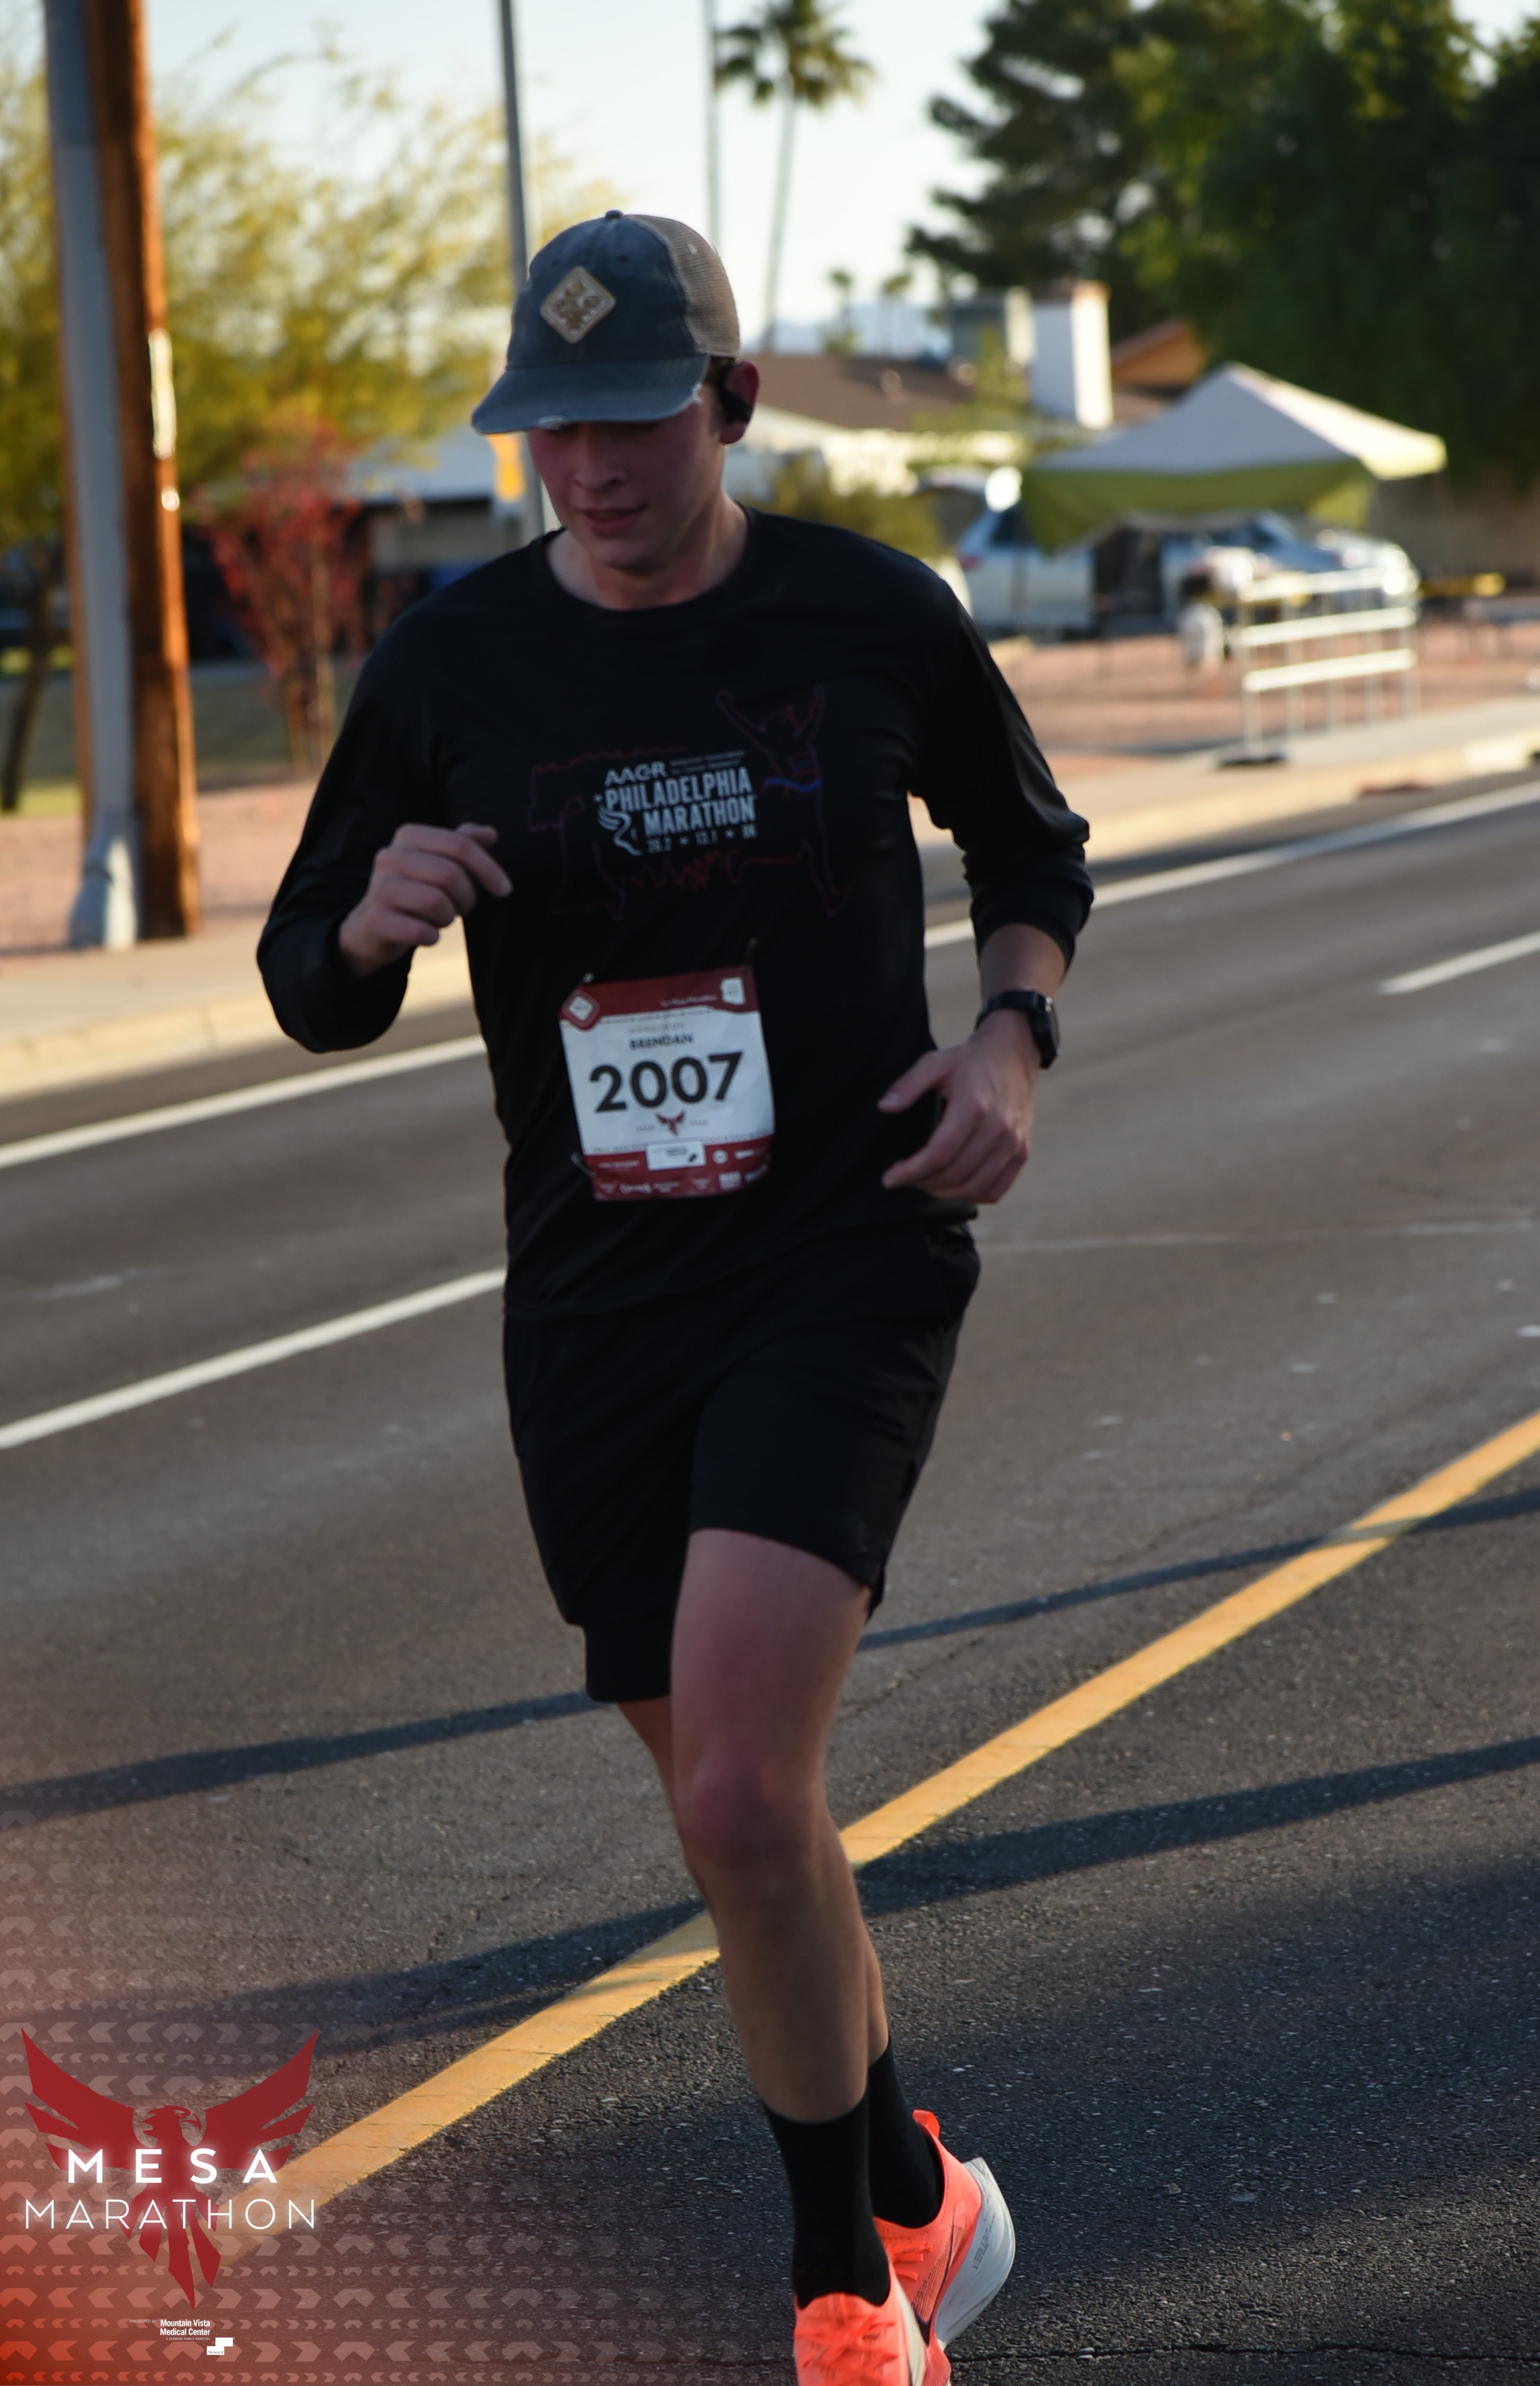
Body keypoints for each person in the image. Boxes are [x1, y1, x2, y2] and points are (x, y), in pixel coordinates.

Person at [259, 212, 1091, 2386]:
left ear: (727, 402)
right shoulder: (450, 668)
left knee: (734, 1796)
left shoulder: (869, 615)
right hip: (597, 1293)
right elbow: (304, 980)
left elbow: (1030, 849)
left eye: (632, 419)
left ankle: (845, 2290)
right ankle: (918, 2184)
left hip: (843, 1241)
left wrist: (1008, 1040)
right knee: (747, 1816)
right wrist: (369, 921)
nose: (591, 468)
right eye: (550, 432)